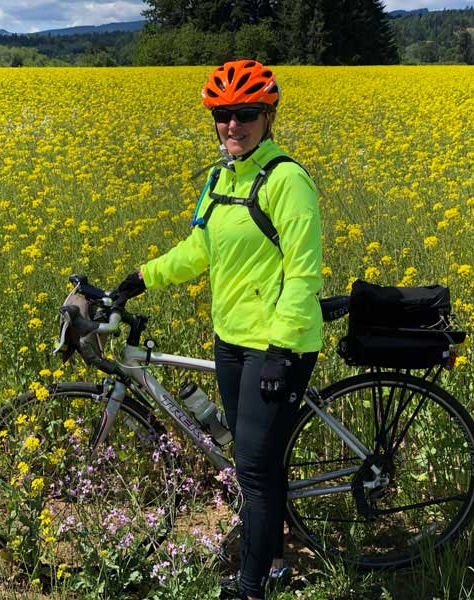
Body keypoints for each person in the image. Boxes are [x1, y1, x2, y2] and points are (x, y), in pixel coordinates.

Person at [113, 59, 323, 600]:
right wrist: (139, 278)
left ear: (269, 115)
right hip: (231, 341)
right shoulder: (219, 179)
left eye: (246, 113)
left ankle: (250, 588)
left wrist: (280, 348)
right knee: (256, 460)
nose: (234, 125)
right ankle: (274, 559)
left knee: (251, 470)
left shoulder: (287, 180)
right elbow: (198, 251)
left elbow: (304, 273)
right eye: (223, 115)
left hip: (278, 346)